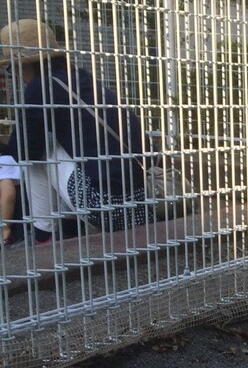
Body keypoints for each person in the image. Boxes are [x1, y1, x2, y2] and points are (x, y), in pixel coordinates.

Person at [0, 19, 146, 243]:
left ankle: (42, 237)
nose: (14, 75)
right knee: (52, 144)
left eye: (11, 68)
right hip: (141, 204)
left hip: (106, 206)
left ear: (23, 64)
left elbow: (23, 152)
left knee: (40, 151)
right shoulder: (81, 79)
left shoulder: (40, 87)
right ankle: (68, 233)